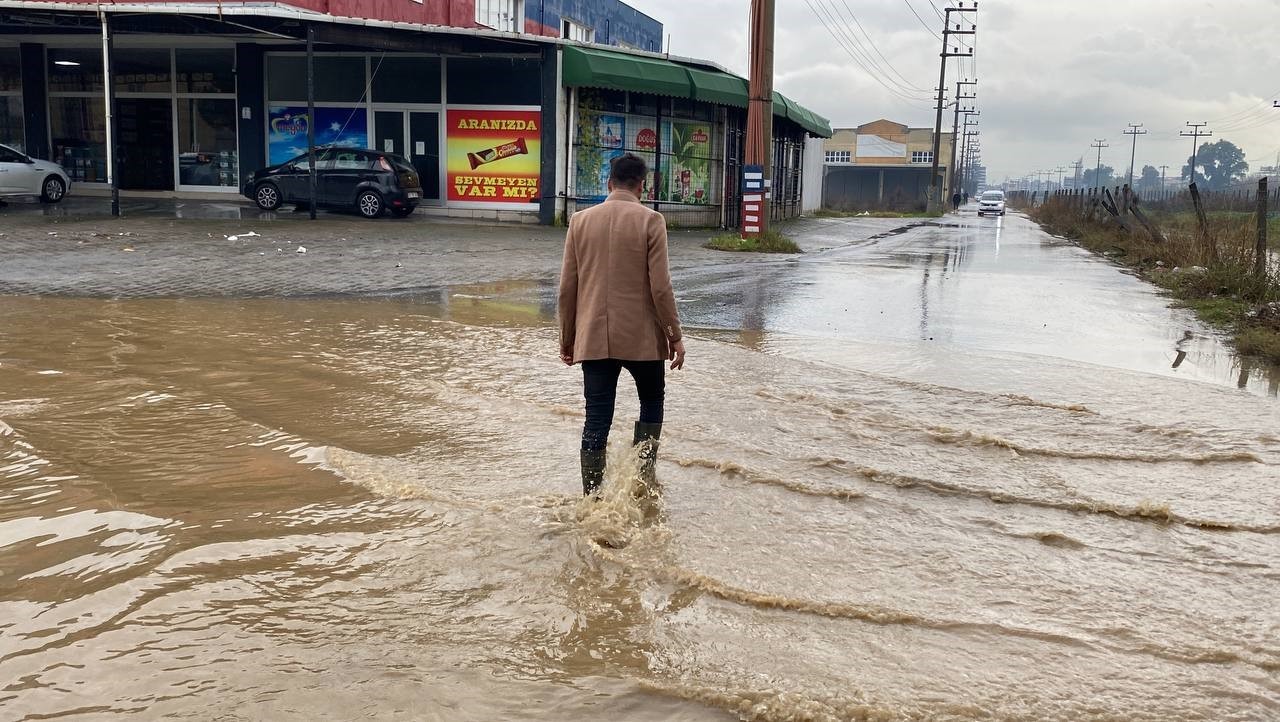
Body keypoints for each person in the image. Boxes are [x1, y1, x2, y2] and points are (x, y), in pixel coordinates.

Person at [558, 153, 686, 496]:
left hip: (594, 338)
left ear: (609, 183)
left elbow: (567, 288)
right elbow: (660, 287)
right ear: (642, 186)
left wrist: (567, 339)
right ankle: (643, 481)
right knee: (651, 400)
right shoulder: (651, 221)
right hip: (643, 339)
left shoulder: (579, 221)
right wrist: (674, 336)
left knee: (596, 417)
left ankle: (592, 496)